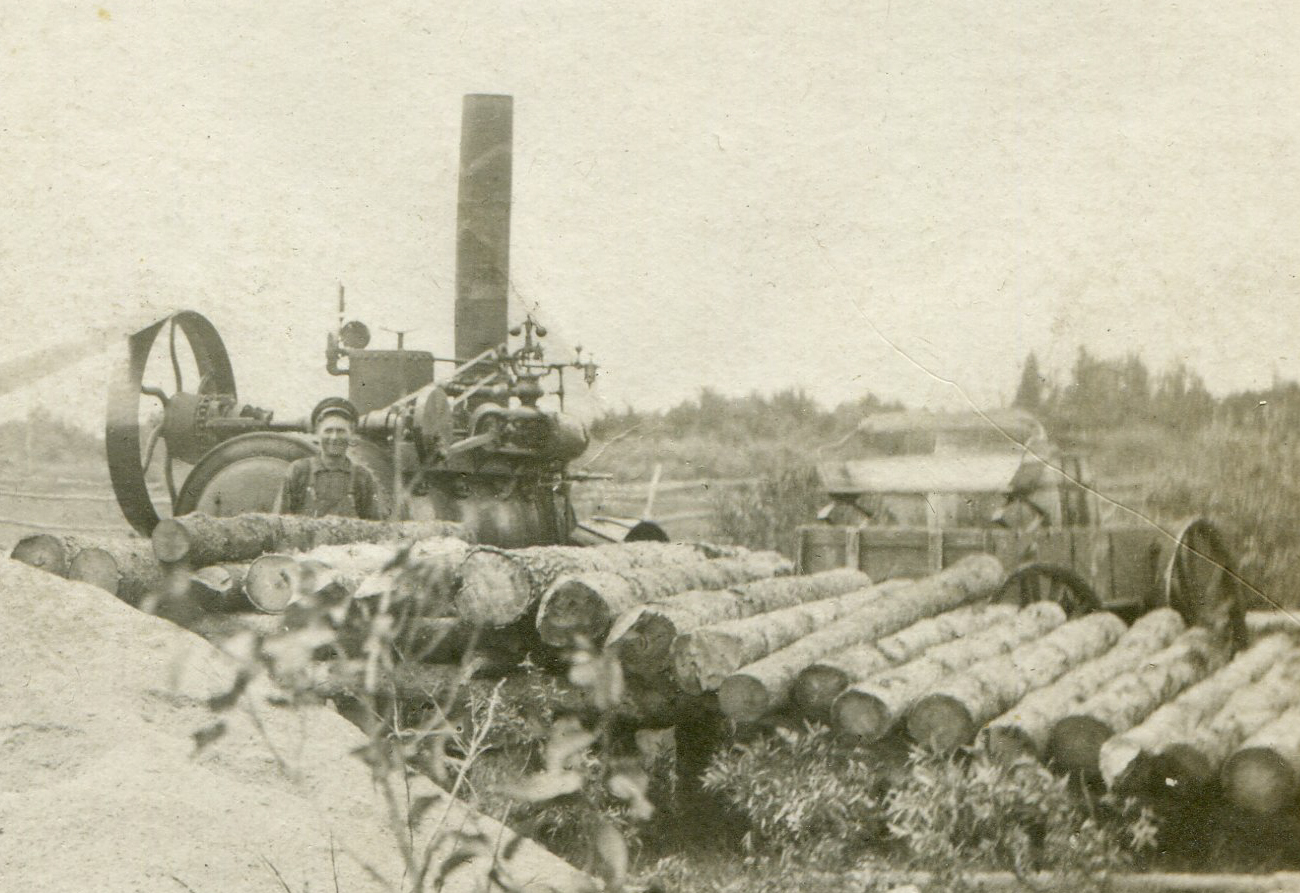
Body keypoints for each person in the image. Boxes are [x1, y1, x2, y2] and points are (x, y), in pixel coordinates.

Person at [278, 397, 382, 520]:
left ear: (351, 434)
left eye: (341, 431)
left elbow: (374, 526)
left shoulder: (362, 478)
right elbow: (279, 522)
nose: (334, 437)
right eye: (328, 431)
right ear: (317, 433)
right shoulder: (299, 472)